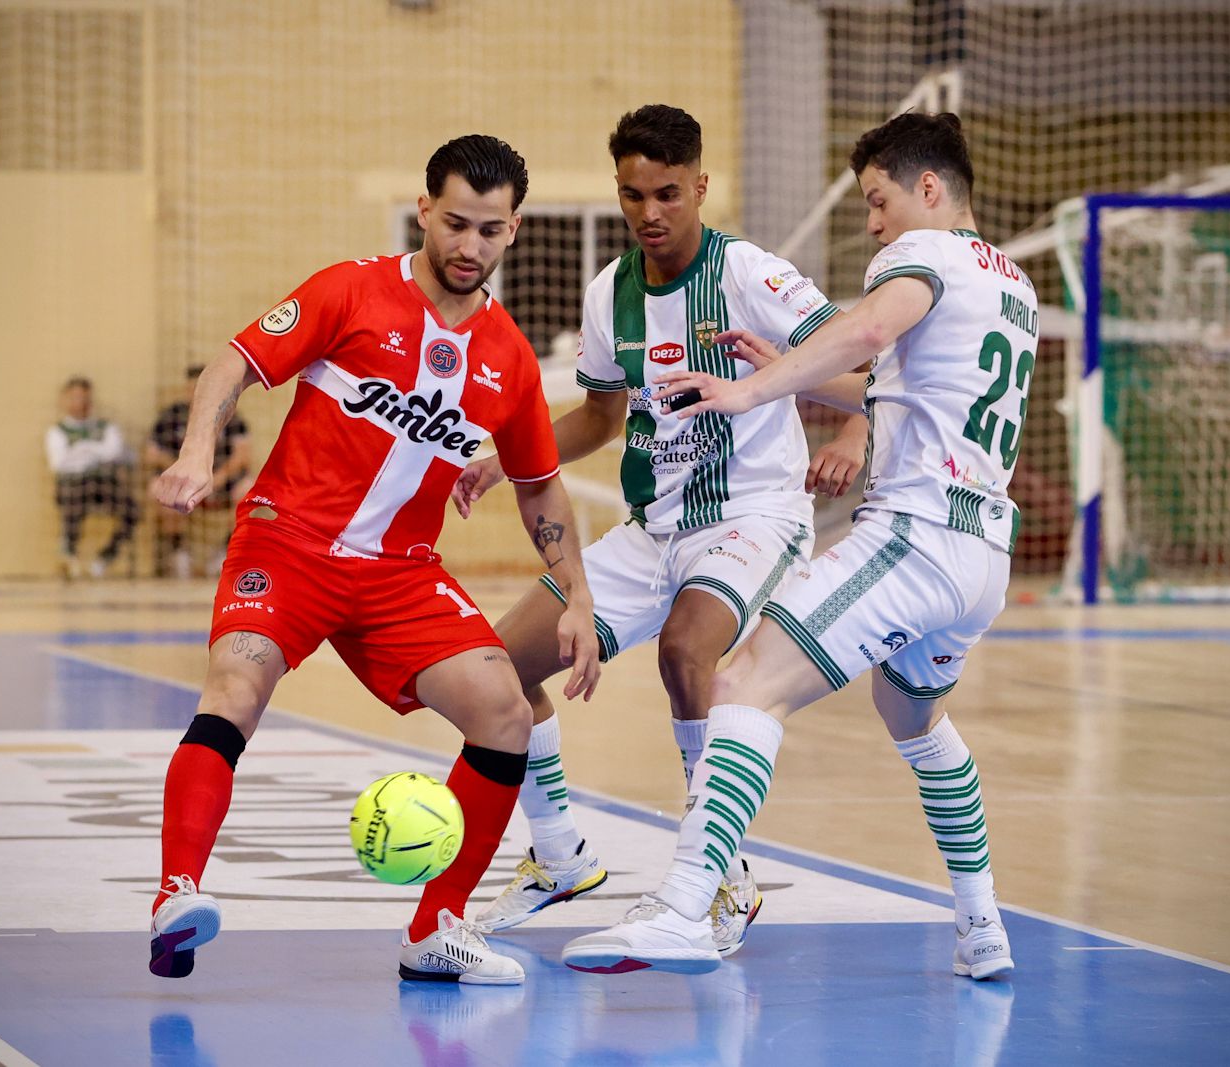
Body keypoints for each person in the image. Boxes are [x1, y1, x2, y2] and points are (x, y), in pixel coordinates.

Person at [562, 112, 1029, 982]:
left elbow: (863, 333)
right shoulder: (1012, 285)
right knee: (915, 720)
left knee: (741, 682)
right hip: (983, 557)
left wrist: (753, 390)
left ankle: (686, 905)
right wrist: (790, 361)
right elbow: (886, 386)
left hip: (915, 539)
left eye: (880, 201)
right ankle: (984, 926)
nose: (874, 224)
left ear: (929, 190)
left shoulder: (914, 258)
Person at [146, 135, 601, 986]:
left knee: (506, 711)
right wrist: (198, 450)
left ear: (514, 232)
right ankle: (177, 895)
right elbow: (235, 363)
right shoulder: (350, 288)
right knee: (235, 689)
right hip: (289, 544)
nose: (470, 247)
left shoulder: (507, 357)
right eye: (456, 223)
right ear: (424, 211)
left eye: (490, 231)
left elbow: (540, 488)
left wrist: (575, 594)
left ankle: (437, 928)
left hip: (400, 571)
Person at [450, 104, 869, 956]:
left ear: (700, 188)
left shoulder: (751, 274)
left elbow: (859, 363)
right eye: (632, 195)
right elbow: (603, 416)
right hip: (652, 531)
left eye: (667, 193)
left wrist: (859, 432)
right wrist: (508, 454)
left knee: (687, 651)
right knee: (493, 673)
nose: (649, 213)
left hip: (752, 517)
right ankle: (560, 853)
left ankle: (715, 873)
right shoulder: (610, 292)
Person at [145, 364, 252, 578]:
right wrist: (180, 467)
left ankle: (226, 551)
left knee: (248, 489)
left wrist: (219, 476)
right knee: (156, 488)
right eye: (191, 389)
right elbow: (150, 454)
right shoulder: (171, 416)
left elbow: (243, 456)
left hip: (220, 479)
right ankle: (179, 552)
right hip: (184, 481)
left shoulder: (229, 413)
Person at [44, 376, 139, 578]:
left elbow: (114, 452)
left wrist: (80, 450)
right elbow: (59, 464)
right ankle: (69, 552)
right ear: (66, 400)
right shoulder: (57, 431)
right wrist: (95, 452)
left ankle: (105, 557)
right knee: (75, 498)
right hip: (73, 486)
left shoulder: (106, 427)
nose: (81, 402)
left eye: (85, 397)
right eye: (76, 397)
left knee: (132, 510)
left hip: (104, 485)